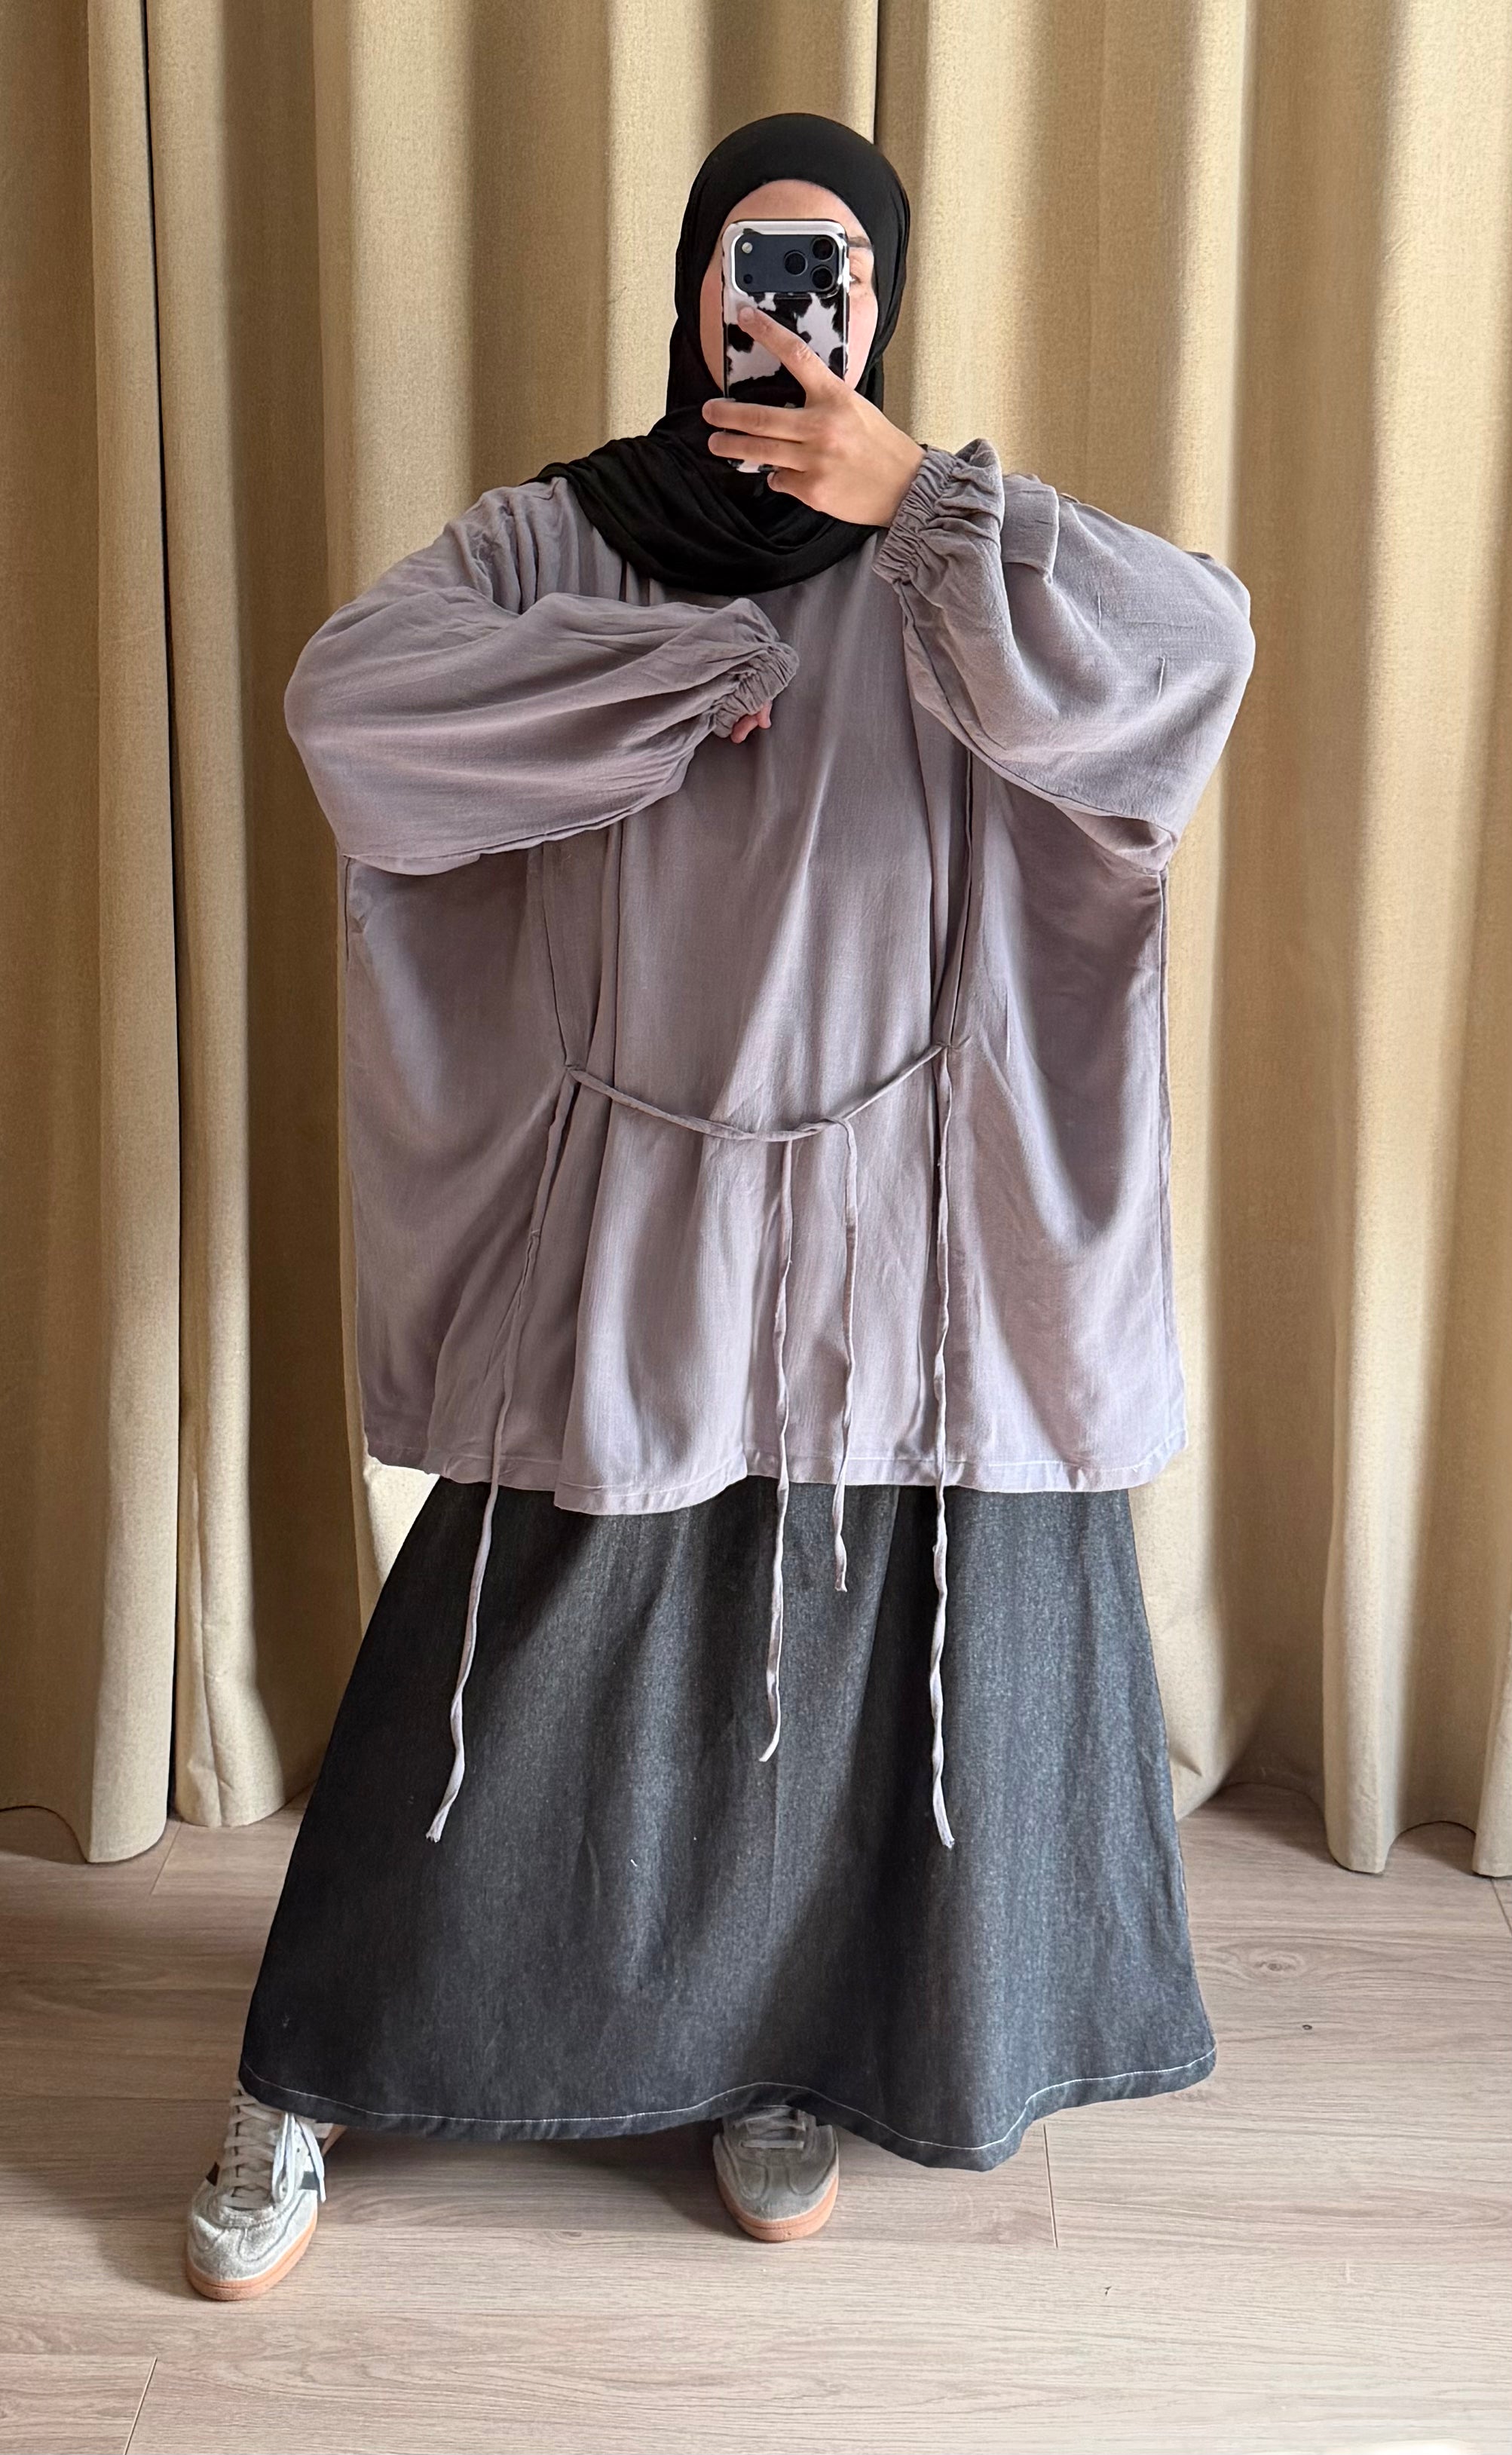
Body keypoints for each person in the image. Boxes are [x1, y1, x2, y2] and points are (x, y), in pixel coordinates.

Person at [185, 112, 1255, 2300]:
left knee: (869, 1672)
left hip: (912, 1216)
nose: (794, 306)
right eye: (756, 260)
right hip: (645, 1199)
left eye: (834, 267)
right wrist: (669, 677)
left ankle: (793, 2060)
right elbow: (353, 702)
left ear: (886, 296)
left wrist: (920, 506)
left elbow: (1193, 657)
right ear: (691, 284)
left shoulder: (966, 550)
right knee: (514, 1675)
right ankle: (308, 2068)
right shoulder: (568, 539)